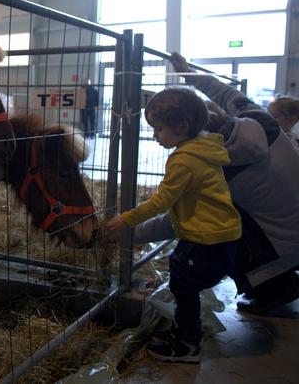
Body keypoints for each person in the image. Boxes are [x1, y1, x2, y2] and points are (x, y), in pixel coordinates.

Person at [136, 52, 299, 317]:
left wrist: (126, 232)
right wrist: (188, 74)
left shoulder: (215, 168)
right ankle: (281, 280)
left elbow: (176, 220)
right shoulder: (258, 119)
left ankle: (273, 287)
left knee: (217, 227)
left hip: (285, 244)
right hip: (292, 221)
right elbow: (223, 92)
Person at [107, 87, 241, 364]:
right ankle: (185, 331)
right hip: (217, 235)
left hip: (207, 239)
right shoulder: (202, 149)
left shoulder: (184, 160)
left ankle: (188, 344)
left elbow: (162, 201)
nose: (154, 135)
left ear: (182, 126)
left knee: (183, 284)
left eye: (158, 129)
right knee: (180, 272)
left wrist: (126, 219)